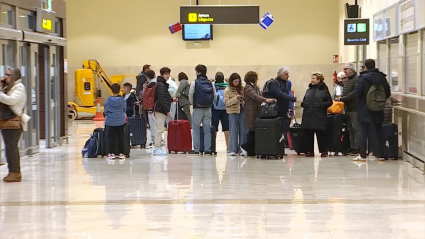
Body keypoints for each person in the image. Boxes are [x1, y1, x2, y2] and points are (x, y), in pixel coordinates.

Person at [354, 59, 391, 161]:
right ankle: (380, 154)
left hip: (364, 108)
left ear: (365, 67)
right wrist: (379, 102)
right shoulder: (382, 78)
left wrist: (360, 104)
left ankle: (362, 155)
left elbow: (357, 93)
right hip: (378, 108)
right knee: (379, 130)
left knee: (363, 132)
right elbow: (387, 93)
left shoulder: (362, 78)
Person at [0, 68, 29, 182]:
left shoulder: (19, 87)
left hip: (14, 121)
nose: (6, 77)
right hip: (6, 121)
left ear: (15, 76)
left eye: (8, 75)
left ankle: (15, 172)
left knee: (11, 147)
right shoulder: (8, 87)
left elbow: (11, 100)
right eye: (5, 74)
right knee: (8, 146)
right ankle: (11, 170)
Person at [240, 71, 276, 157]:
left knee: (255, 130)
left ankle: (251, 150)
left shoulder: (254, 87)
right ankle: (245, 147)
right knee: (252, 130)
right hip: (251, 112)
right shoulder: (248, 88)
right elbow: (255, 97)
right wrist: (266, 100)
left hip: (256, 111)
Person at [300, 72, 333, 157]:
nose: (311, 80)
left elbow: (330, 102)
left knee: (320, 134)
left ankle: (323, 150)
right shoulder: (309, 90)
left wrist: (322, 105)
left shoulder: (324, 90)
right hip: (308, 114)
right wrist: (303, 104)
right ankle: (310, 151)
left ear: (319, 80)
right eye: (311, 78)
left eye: (313, 78)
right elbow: (305, 100)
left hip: (319, 115)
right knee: (308, 134)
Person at [188, 64, 217, 155]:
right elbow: (215, 97)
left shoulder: (194, 82)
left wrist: (193, 103)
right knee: (207, 130)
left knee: (196, 129)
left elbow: (190, 95)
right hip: (208, 109)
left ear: (198, 72)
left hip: (198, 109)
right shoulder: (210, 83)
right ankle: (207, 150)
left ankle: (196, 150)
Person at [268, 67, 300, 149]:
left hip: (284, 109)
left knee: (286, 127)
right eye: (286, 74)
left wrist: (289, 107)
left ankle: (284, 143)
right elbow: (280, 94)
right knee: (278, 129)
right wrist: (294, 99)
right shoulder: (274, 83)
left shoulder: (285, 83)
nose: (288, 76)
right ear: (281, 75)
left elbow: (286, 95)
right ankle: (277, 145)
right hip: (276, 110)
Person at [339, 62, 360, 156]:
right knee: (349, 128)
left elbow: (355, 93)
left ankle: (357, 147)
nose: (344, 71)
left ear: (352, 70)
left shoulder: (357, 79)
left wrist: (343, 98)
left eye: (346, 69)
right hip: (347, 107)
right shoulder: (347, 80)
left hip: (355, 108)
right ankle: (352, 146)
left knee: (356, 128)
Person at [148, 74, 171, 156]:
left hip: (159, 109)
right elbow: (161, 98)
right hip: (160, 110)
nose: (168, 76)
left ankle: (157, 147)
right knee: (160, 129)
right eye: (166, 74)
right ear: (162, 75)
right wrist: (167, 110)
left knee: (160, 129)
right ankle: (157, 148)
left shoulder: (161, 84)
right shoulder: (161, 85)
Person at [224, 73, 245, 156]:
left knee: (242, 130)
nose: (236, 83)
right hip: (232, 112)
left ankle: (242, 149)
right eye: (235, 82)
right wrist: (236, 98)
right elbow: (227, 103)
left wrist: (242, 100)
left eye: (238, 82)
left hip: (242, 111)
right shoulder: (227, 90)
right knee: (233, 130)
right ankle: (233, 149)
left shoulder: (242, 89)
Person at [104, 83, 127, 160]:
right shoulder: (123, 100)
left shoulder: (108, 100)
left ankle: (111, 153)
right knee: (121, 137)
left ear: (111, 90)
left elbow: (106, 111)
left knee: (111, 137)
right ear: (119, 90)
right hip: (121, 120)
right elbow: (124, 110)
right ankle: (121, 153)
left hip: (110, 121)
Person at [211, 72, 230, 151]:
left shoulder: (213, 86)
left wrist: (210, 81)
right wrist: (229, 81)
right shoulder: (227, 86)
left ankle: (213, 147)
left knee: (213, 128)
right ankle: (228, 147)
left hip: (215, 109)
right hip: (225, 109)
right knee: (227, 129)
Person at [144, 70, 158, 148]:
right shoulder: (157, 83)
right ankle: (158, 140)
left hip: (151, 107)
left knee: (152, 125)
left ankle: (154, 141)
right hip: (156, 107)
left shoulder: (150, 85)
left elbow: (147, 96)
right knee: (157, 125)